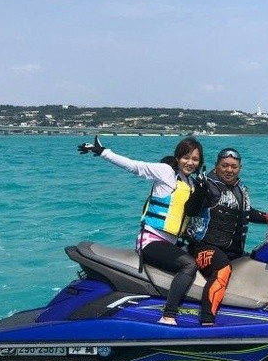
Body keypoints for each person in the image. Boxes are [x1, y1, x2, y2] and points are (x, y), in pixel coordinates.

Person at [78, 135, 204, 325]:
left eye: (195, 159)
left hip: (170, 243)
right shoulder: (166, 172)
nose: (190, 162)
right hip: (150, 241)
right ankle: (168, 315)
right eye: (186, 157)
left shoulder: (191, 184)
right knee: (189, 265)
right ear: (177, 158)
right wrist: (104, 152)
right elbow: (134, 166)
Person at [185, 147, 268, 325]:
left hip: (233, 251)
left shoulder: (240, 188)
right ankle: (207, 321)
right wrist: (199, 192)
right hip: (203, 248)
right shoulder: (206, 185)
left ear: (239, 168)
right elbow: (191, 210)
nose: (229, 170)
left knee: (258, 264)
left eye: (234, 167)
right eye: (225, 165)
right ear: (216, 166)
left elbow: (246, 212)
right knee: (222, 268)